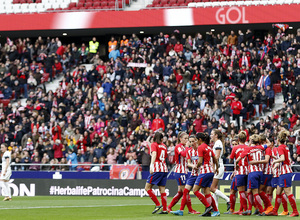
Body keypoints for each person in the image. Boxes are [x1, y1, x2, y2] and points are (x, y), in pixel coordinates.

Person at [235, 134, 273, 216]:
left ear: (251, 141)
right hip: (260, 172)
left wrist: (236, 165)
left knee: (256, 193)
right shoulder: (261, 147)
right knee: (249, 191)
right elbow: (269, 144)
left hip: (252, 173)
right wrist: (264, 138)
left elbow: (238, 159)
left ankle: (261, 210)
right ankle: (249, 210)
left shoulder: (247, 149)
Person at [268, 130, 299, 217]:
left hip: (285, 172)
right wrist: (275, 166)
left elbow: (282, 158)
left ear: (278, 140)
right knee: (278, 192)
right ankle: (275, 211)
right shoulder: (285, 147)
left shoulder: (280, 147)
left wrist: (274, 162)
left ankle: (295, 211)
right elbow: (283, 160)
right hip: (284, 172)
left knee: (288, 192)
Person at [170, 135, 201, 216]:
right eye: (185, 139)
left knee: (181, 192)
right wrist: (187, 147)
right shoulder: (178, 146)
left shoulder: (187, 147)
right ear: (180, 139)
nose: (187, 140)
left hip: (185, 171)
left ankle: (169, 207)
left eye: (188, 139)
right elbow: (183, 154)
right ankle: (190, 210)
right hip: (180, 171)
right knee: (185, 191)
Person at [193, 132, 219, 217]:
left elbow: (200, 161)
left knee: (195, 190)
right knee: (206, 192)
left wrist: (196, 166)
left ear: (200, 140)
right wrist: (217, 168)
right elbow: (215, 159)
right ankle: (214, 211)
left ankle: (208, 207)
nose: (196, 142)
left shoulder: (200, 147)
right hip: (211, 171)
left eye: (196, 140)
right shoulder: (209, 147)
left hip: (204, 171)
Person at [145, 132, 168, 214]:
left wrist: (151, 165)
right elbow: (165, 157)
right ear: (161, 139)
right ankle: (165, 209)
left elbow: (154, 154)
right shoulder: (164, 146)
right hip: (164, 168)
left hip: (157, 168)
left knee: (147, 188)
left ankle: (158, 204)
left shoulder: (154, 144)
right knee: (162, 189)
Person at [227, 132, 249, 215]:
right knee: (233, 190)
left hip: (239, 172)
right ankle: (234, 210)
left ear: (239, 139)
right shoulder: (248, 147)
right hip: (246, 172)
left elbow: (230, 160)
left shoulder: (235, 148)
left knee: (241, 192)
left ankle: (245, 210)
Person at [210, 129, 230, 211]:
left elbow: (217, 157)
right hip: (219, 166)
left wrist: (214, 167)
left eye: (212, 134)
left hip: (218, 166)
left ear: (216, 135)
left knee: (212, 188)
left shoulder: (218, 143)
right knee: (215, 188)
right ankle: (216, 209)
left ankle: (228, 200)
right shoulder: (217, 143)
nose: (210, 135)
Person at [268, 138, 289, 216]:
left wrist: (274, 167)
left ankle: (285, 210)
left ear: (272, 143)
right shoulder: (270, 150)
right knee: (270, 191)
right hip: (273, 173)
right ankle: (270, 209)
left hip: (277, 173)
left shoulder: (276, 149)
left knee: (279, 192)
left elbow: (280, 159)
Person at [224, 137, 243, 214]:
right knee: (232, 190)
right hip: (236, 173)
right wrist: (233, 172)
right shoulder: (234, 152)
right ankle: (232, 210)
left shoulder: (240, 152)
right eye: (233, 144)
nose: (234, 146)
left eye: (236, 144)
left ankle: (242, 210)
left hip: (241, 173)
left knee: (242, 192)